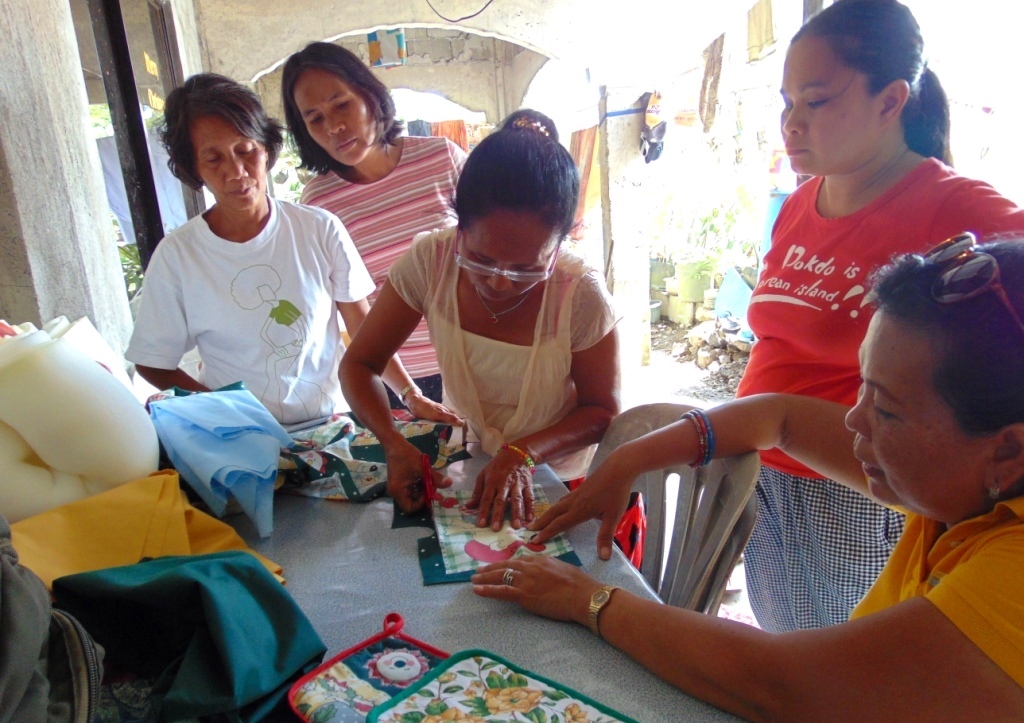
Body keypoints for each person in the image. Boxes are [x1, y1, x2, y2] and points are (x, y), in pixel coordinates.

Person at [474, 238, 1024, 720]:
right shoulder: (962, 475)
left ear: (1010, 452)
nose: (855, 420)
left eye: (887, 409)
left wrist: (587, 600)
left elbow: (785, 685)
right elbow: (777, 418)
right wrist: (624, 461)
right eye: (863, 388)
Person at [734, 0, 1024, 631]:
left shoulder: (959, 210)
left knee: (842, 681)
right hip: (765, 477)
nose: (792, 122)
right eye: (786, 102)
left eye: (816, 101)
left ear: (891, 100)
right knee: (786, 645)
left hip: (865, 494)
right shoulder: (798, 206)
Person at [340, 109, 621, 529]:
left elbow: (602, 410)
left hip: (563, 479)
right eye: (480, 259)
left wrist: (522, 452)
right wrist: (393, 443)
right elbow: (360, 364)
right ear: (459, 229)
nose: (500, 283)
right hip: (472, 463)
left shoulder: (579, 294)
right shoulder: (430, 262)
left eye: (527, 268)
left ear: (561, 242)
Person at [125, 73, 451, 430]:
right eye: (213, 159)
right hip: (242, 439)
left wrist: (410, 394)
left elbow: (362, 328)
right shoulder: (178, 257)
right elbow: (153, 361)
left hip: (333, 427)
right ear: (194, 169)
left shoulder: (319, 228)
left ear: (266, 149)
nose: (236, 172)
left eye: (245, 151)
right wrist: (223, 412)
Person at [281, 42, 467, 412]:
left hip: (474, 365)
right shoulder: (319, 204)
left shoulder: (441, 159)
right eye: (315, 118)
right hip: (393, 384)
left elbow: (495, 253)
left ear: (369, 95)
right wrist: (407, 393)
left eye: (342, 104)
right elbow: (349, 311)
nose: (334, 126)